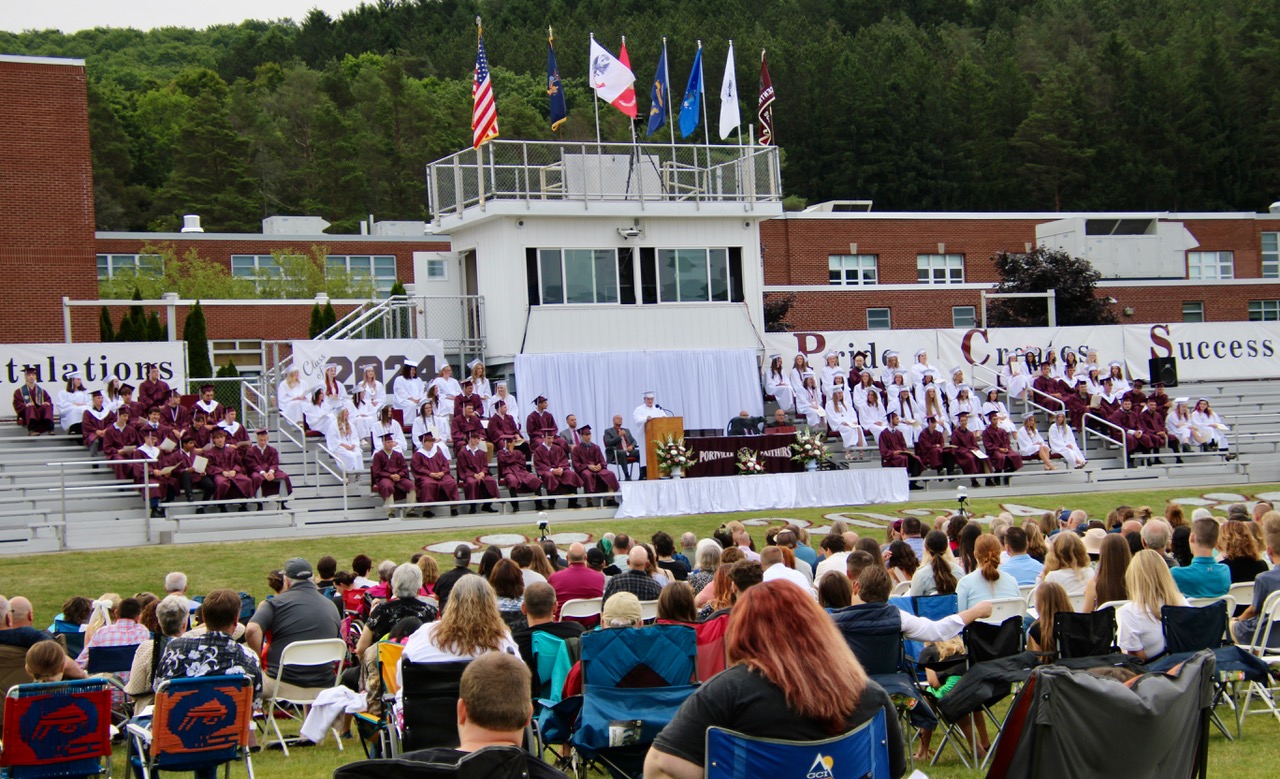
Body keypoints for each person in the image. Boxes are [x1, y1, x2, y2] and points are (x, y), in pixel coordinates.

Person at [645, 580, 907, 779]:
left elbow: (658, 767)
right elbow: (893, 769)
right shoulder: (870, 696)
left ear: (742, 633)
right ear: (818, 627)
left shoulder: (725, 695)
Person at [246, 558, 341, 696]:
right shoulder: (331, 606)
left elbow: (251, 629)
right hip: (324, 686)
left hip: (281, 683)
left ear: (287, 581)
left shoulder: (274, 604)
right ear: (313, 578)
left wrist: (257, 661)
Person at [155, 588, 262, 700]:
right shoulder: (249, 657)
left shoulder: (175, 648)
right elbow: (255, 703)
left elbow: (158, 688)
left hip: (179, 716)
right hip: (229, 716)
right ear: (236, 620)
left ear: (204, 619)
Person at [1117, 550, 1190, 661]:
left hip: (1153, 673)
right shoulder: (1181, 601)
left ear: (1133, 577)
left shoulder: (1129, 612)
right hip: (1185, 669)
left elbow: (1137, 659)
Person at [355, 564, 438, 659]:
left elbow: (361, 649)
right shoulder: (430, 611)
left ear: (393, 584)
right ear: (419, 587)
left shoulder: (380, 610)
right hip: (417, 667)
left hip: (384, 666)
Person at [124, 594, 190, 708]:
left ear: (159, 622)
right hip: (185, 709)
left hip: (152, 712)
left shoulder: (146, 649)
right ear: (184, 625)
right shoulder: (194, 648)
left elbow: (134, 691)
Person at [955, 535, 1021, 610]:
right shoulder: (1011, 581)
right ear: (999, 554)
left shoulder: (964, 583)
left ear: (975, 554)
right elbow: (1018, 612)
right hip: (1009, 621)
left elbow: (959, 617)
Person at [1170, 518, 1231, 597]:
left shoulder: (1176, 574)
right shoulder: (1224, 571)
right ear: (1216, 542)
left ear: (1192, 537)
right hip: (1219, 609)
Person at [411, 432, 460, 517]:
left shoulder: (438, 453)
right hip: (427, 476)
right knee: (428, 484)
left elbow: (445, 464)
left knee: (451, 482)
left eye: (432, 441)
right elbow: (417, 468)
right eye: (429, 441)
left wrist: (442, 472)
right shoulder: (418, 454)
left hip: (441, 475)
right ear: (423, 442)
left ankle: (454, 508)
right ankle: (427, 510)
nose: (431, 443)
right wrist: (430, 473)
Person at [571, 426, 620, 505]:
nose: (588, 436)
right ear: (582, 436)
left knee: (610, 474)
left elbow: (602, 460)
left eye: (589, 434)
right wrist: (588, 466)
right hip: (585, 469)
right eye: (586, 435)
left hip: (598, 469)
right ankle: (589, 500)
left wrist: (600, 465)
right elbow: (576, 464)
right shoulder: (577, 449)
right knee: (587, 475)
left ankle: (610, 498)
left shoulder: (596, 447)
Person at [1039, 531, 1096, 598]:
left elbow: (1041, 604)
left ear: (1054, 553)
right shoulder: (1090, 572)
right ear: (1081, 551)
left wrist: (1040, 580)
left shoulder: (1052, 577)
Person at [533, 432, 583, 509]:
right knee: (549, 476)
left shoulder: (558, 448)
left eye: (552, 438)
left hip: (560, 470)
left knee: (571, 475)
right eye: (548, 438)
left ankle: (573, 502)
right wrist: (552, 470)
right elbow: (539, 464)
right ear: (544, 438)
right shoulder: (538, 450)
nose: (551, 440)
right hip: (547, 471)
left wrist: (561, 468)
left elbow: (563, 460)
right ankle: (551, 503)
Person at [206, 428, 252, 509]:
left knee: (246, 481)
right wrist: (222, 472)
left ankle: (243, 504)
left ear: (224, 438)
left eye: (221, 437)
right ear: (213, 440)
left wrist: (234, 470)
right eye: (217, 438)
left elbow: (239, 463)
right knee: (221, 483)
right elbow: (209, 467)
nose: (220, 440)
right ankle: (222, 506)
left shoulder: (232, 450)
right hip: (219, 474)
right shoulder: (209, 453)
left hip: (233, 472)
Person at [243, 428, 291, 508]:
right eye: (261, 440)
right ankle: (259, 504)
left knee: (284, 476)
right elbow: (252, 465)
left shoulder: (272, 450)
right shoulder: (251, 451)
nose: (263, 442)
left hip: (271, 471)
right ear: (257, 439)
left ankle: (282, 502)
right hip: (257, 472)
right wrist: (263, 472)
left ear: (267, 439)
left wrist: (271, 472)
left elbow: (275, 463)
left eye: (264, 440)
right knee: (256, 478)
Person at [455, 428, 499, 514]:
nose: (476, 440)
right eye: (474, 438)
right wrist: (474, 474)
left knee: (491, 481)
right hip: (469, 475)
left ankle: (487, 505)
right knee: (471, 483)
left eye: (478, 438)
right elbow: (463, 468)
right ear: (469, 438)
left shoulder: (481, 452)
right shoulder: (462, 453)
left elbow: (485, 465)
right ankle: (472, 506)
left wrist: (483, 472)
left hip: (481, 474)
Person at [1083, 534, 1131, 612]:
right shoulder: (1136, 582)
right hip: (1129, 623)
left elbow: (1086, 615)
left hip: (1104, 623)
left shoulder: (1094, 584)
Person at [371, 432, 415, 515]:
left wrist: (399, 475)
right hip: (385, 478)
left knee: (411, 486)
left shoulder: (398, 455)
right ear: (383, 443)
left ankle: (410, 510)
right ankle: (390, 511)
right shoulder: (378, 455)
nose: (390, 444)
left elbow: (404, 469)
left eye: (391, 442)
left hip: (399, 477)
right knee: (387, 487)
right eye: (388, 442)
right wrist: (389, 475)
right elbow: (377, 471)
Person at [496, 435, 542, 512]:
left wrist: (510, 458)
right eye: (512, 443)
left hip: (520, 471)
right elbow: (504, 462)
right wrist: (511, 453)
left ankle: (539, 504)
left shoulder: (518, 452)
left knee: (535, 480)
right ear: (507, 443)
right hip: (508, 472)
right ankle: (515, 506)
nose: (513, 444)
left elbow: (521, 463)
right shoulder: (500, 453)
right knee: (512, 481)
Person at [909, 531, 963, 597]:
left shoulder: (921, 575)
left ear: (926, 548)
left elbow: (913, 602)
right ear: (947, 548)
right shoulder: (959, 572)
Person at [1025, 581, 1071, 656]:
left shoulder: (1037, 629)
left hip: (1048, 666)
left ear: (1039, 604)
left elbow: (1036, 659)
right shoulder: (1077, 623)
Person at [878, 411, 924, 485]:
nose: (898, 420)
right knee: (903, 459)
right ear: (891, 420)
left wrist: (904, 451)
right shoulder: (884, 434)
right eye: (896, 419)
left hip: (901, 455)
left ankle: (913, 483)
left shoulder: (899, 433)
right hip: (890, 458)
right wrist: (893, 452)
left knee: (916, 459)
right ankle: (902, 482)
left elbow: (903, 446)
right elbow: (883, 450)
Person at [981, 410, 1022, 485]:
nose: (996, 421)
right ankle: (997, 475)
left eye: (996, 419)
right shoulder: (986, 432)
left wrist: (1006, 448)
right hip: (994, 451)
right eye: (994, 419)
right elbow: (988, 444)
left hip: (1004, 449)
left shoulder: (1002, 430)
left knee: (1016, 456)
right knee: (1000, 457)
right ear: (990, 420)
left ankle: (1008, 473)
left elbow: (1007, 441)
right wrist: (999, 449)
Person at [12, 366, 55, 435]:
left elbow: (48, 401)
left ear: (35, 377)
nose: (31, 377)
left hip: (40, 415)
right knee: (30, 407)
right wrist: (25, 405)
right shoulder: (19, 391)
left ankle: (50, 428)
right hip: (27, 415)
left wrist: (46, 403)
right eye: (29, 375)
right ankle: (32, 429)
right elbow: (16, 404)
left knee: (47, 406)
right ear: (25, 377)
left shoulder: (42, 391)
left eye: (33, 375)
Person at [602, 414, 640, 479]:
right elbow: (608, 443)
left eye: (621, 419)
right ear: (613, 421)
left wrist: (631, 446)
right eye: (618, 418)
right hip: (616, 452)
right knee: (622, 452)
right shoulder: (608, 431)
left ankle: (642, 474)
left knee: (640, 452)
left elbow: (634, 441)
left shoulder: (626, 430)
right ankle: (626, 475)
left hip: (628, 451)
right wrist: (619, 436)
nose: (620, 420)